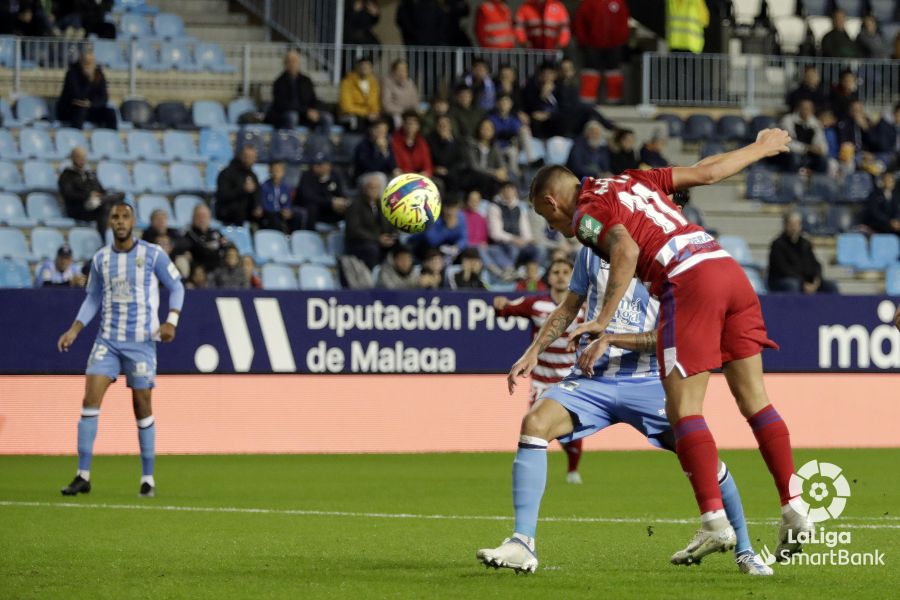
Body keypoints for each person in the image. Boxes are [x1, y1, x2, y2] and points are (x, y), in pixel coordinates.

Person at [526, 128, 812, 567]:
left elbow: (624, 248)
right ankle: (794, 506)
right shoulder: (634, 180)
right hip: (727, 269)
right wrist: (761, 147)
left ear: (551, 202)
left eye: (551, 223)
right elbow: (707, 173)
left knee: (684, 412)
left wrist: (603, 319)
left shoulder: (587, 211)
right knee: (756, 402)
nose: (558, 232)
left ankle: (714, 521)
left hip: (689, 279)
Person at [477, 246, 770, 575]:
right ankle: (522, 543)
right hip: (591, 382)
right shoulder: (590, 253)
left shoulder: (670, 262)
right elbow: (568, 306)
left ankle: (745, 550)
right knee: (535, 423)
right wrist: (535, 350)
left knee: (705, 458)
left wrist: (613, 339)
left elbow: (669, 334)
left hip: (649, 384)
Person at [57, 201, 184, 499]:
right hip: (108, 341)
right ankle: (82, 475)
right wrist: (75, 329)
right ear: (110, 223)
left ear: (133, 221)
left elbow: (177, 287)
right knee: (90, 399)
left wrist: (171, 321)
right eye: (115, 217)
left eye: (125, 216)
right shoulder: (101, 259)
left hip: (142, 342)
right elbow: (92, 299)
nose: (120, 221)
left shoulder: (152, 254)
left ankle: (148, 478)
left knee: (142, 406)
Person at [574, 0, 630, 104]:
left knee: (614, 73)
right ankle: (587, 101)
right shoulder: (588, 3)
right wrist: (583, 41)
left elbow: (624, 22)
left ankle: (615, 101)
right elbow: (580, 22)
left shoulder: (619, 3)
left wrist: (622, 41)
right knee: (591, 73)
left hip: (614, 45)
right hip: (592, 45)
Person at [767, 211, 839, 294]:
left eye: (797, 224)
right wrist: (802, 282)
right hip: (782, 280)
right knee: (793, 285)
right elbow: (782, 269)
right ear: (785, 225)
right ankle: (794, 307)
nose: (794, 228)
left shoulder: (805, 244)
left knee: (831, 286)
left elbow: (815, 264)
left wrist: (816, 281)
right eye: (792, 225)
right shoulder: (778, 244)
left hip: (807, 281)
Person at [266, 50, 330, 132]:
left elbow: (313, 99)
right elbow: (282, 105)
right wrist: (305, 111)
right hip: (287, 115)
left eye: (295, 61)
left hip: (306, 114)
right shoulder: (279, 82)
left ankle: (320, 143)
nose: (292, 64)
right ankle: (291, 143)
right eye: (289, 61)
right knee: (292, 116)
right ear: (285, 64)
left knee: (327, 118)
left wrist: (315, 111)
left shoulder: (306, 80)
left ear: (299, 63)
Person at [345, 172, 396, 269]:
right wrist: (377, 239)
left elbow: (390, 223)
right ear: (364, 188)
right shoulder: (355, 205)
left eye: (377, 188)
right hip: (360, 243)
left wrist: (391, 236)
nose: (374, 190)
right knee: (372, 249)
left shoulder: (382, 204)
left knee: (400, 248)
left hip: (379, 240)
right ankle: (371, 277)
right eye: (371, 187)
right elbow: (354, 230)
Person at [57, 51, 116, 130]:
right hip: (71, 109)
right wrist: (88, 79)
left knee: (110, 112)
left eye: (91, 61)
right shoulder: (72, 73)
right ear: (81, 61)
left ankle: (111, 137)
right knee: (80, 110)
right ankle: (77, 136)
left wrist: (91, 104)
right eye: (86, 61)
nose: (88, 63)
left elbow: (104, 98)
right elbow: (77, 95)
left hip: (91, 108)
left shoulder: (99, 74)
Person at [58, 146, 110, 230]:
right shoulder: (66, 176)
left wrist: (98, 195)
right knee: (103, 209)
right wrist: (88, 195)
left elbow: (101, 189)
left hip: (96, 203)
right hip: (78, 208)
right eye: (79, 157)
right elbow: (68, 194)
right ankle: (103, 239)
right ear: (72, 158)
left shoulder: (89, 174)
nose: (82, 160)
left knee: (117, 199)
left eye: (84, 157)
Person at [486, 181, 534, 270]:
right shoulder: (494, 207)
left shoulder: (520, 208)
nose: (509, 191)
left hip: (520, 242)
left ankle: (532, 277)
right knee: (513, 249)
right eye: (506, 189)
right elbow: (495, 233)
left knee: (538, 250)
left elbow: (526, 230)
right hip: (501, 244)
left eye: (511, 189)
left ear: (515, 191)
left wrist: (526, 240)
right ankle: (511, 273)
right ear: (501, 191)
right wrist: (513, 239)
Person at [297, 152, 350, 230]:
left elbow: (341, 193)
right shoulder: (307, 176)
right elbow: (309, 197)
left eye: (320, 165)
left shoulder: (335, 175)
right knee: (312, 208)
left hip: (332, 209)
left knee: (349, 207)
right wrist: (330, 202)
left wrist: (342, 202)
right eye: (315, 165)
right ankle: (311, 234)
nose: (316, 167)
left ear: (329, 165)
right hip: (317, 210)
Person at [778, 99, 828, 173]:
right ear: (798, 109)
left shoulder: (816, 123)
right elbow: (786, 142)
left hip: (809, 153)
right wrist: (806, 148)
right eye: (804, 108)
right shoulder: (787, 121)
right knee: (795, 158)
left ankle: (817, 182)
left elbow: (821, 141)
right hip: (791, 152)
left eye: (809, 109)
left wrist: (821, 150)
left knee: (823, 160)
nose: (806, 111)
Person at [463, 118, 509, 198]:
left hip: (490, 176)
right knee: (487, 179)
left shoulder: (494, 146)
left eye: (489, 128)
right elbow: (474, 167)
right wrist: (494, 173)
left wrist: (502, 172)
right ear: (478, 129)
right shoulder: (471, 144)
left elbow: (501, 164)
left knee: (509, 178)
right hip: (473, 176)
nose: (486, 130)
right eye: (484, 128)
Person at [215, 146, 260, 226]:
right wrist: (243, 189)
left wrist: (257, 207)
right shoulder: (226, 173)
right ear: (241, 156)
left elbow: (257, 194)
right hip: (228, 215)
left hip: (246, 216)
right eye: (247, 156)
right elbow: (222, 196)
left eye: (253, 157)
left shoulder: (253, 175)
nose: (250, 160)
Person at [179, 203, 228, 274]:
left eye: (204, 216)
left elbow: (227, 246)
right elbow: (199, 251)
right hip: (199, 270)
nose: (202, 219)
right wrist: (216, 248)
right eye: (199, 216)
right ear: (193, 218)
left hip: (219, 269)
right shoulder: (189, 234)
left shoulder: (216, 232)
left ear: (209, 218)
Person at [416, 195, 467, 260]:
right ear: (443, 208)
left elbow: (464, 238)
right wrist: (447, 228)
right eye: (448, 208)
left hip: (450, 248)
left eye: (453, 208)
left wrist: (457, 247)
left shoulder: (461, 216)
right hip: (426, 246)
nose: (450, 212)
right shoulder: (434, 217)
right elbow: (432, 241)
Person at [339, 56, 381, 132]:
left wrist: (374, 112)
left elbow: (375, 102)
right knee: (360, 122)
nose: (364, 68)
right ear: (357, 67)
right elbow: (346, 106)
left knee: (384, 120)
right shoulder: (347, 82)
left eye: (367, 66)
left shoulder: (374, 83)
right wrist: (366, 113)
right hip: (352, 114)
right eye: (362, 66)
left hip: (370, 115)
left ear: (371, 68)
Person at [258, 162, 303, 233]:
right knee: (273, 217)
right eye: (274, 170)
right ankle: (279, 236)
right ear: (270, 171)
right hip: (270, 213)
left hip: (281, 213)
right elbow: (264, 204)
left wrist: (287, 210)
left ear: (283, 172)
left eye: (279, 171)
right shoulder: (264, 186)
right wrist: (278, 211)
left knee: (298, 215)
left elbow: (288, 202)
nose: (276, 173)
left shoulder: (286, 187)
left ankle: (293, 236)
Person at [522, 62, 561, 139]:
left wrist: (548, 115)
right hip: (537, 118)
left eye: (550, 74)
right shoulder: (531, 88)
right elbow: (529, 106)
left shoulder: (560, 88)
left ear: (555, 75)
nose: (547, 76)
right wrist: (542, 96)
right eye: (544, 73)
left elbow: (563, 107)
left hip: (554, 118)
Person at [428, 114, 465, 193]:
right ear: (436, 127)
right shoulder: (431, 141)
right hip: (437, 172)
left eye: (445, 125)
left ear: (450, 126)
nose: (443, 127)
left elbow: (461, 161)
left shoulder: (458, 141)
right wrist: (444, 142)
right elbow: (440, 160)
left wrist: (449, 170)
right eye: (440, 125)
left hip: (452, 171)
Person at [391, 110, 433, 177]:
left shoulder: (422, 142)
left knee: (438, 183)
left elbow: (427, 163)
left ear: (418, 126)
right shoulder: (394, 140)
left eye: (414, 123)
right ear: (403, 124)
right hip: (401, 176)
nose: (410, 126)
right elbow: (394, 163)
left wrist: (426, 172)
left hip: (418, 176)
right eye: (408, 123)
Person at [381, 59, 420, 129]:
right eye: (400, 69)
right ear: (393, 71)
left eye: (405, 69)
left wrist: (414, 111)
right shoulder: (387, 83)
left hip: (409, 112)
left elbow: (415, 101)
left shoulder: (410, 83)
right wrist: (403, 111)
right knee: (398, 120)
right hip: (395, 113)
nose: (403, 72)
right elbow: (386, 104)